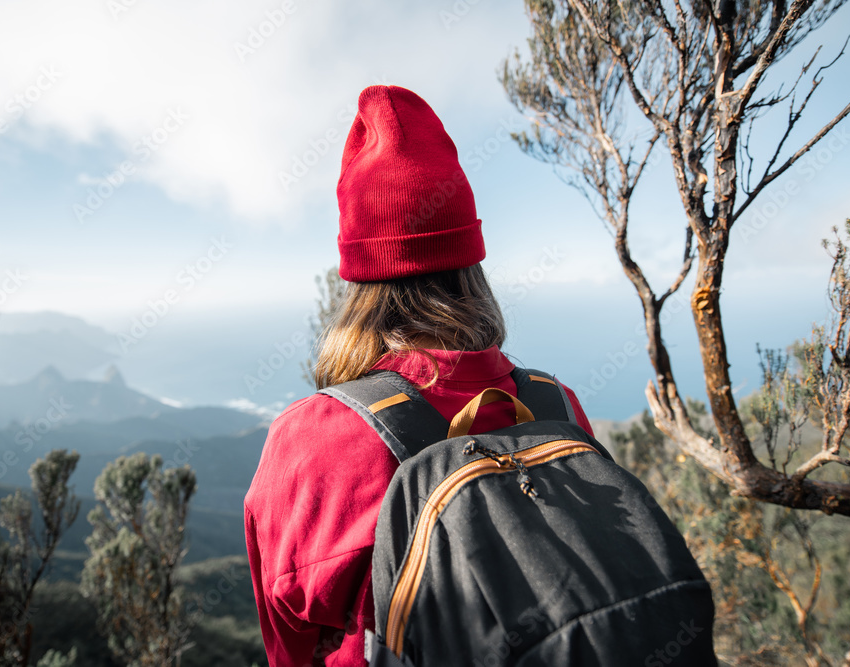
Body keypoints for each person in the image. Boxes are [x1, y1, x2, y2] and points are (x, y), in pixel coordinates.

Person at [244, 84, 595, 666]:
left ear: (359, 282)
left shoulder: (317, 436)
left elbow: (290, 645)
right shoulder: (557, 407)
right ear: (472, 267)